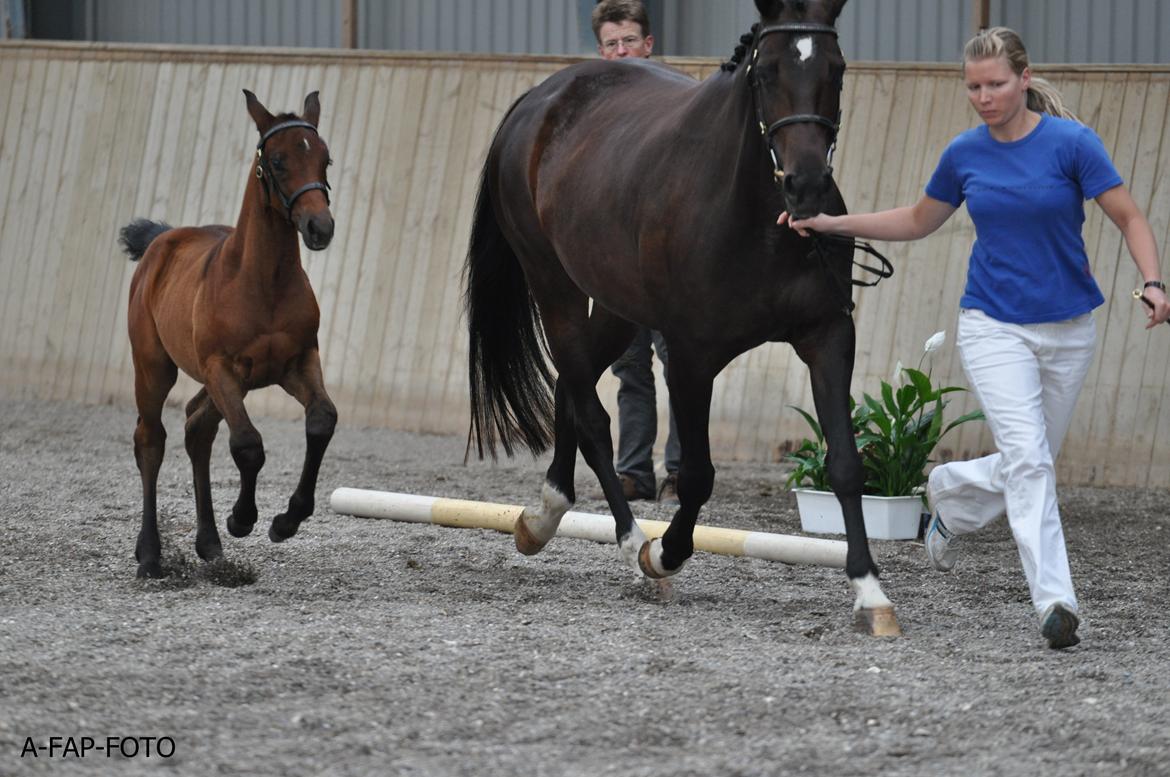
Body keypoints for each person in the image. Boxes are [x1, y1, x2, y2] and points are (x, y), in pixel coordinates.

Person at [779, 27, 1169, 650]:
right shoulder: (965, 153)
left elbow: (1129, 216)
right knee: (1033, 463)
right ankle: (1056, 602)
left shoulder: (1072, 144)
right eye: (973, 88)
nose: (984, 97)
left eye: (995, 85)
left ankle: (947, 493)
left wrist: (1153, 281)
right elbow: (915, 220)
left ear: (1024, 79)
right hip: (993, 325)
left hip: (1070, 329)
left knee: (1029, 460)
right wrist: (829, 222)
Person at [591, 0, 680, 503]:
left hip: (667, 263)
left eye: (629, 41)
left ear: (648, 45)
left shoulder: (674, 102)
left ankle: (682, 471)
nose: (621, 50)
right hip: (616, 264)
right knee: (630, 370)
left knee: (680, 364)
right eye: (611, 44)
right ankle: (633, 472)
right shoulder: (593, 110)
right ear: (600, 51)